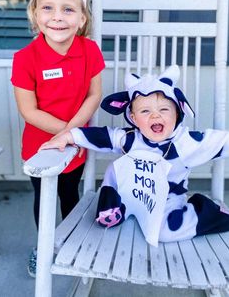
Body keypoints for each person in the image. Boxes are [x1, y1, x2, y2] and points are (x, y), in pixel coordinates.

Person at [39, 65, 229, 247]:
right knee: (116, 173)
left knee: (166, 232)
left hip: (167, 199)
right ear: (133, 117)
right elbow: (103, 136)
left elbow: (219, 141)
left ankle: (205, 212)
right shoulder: (130, 138)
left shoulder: (185, 143)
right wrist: (69, 135)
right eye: (145, 111)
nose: (155, 116)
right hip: (131, 193)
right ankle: (113, 207)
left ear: (178, 112)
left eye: (164, 109)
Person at [11, 0, 105, 276]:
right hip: (43, 147)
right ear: (35, 15)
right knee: (45, 200)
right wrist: (65, 132)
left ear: (81, 18)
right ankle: (46, 245)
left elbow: (94, 95)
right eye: (48, 8)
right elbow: (28, 110)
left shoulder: (89, 50)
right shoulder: (25, 58)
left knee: (70, 195)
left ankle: (74, 243)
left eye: (68, 9)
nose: (57, 17)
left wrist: (72, 133)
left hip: (76, 144)